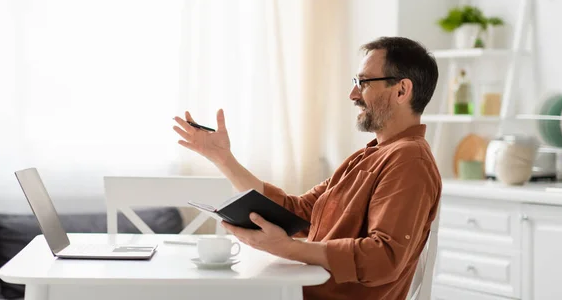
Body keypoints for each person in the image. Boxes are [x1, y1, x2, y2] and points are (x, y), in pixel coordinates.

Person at [173, 36, 441, 300]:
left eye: (364, 82)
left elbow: (384, 258)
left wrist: (287, 249)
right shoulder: (367, 157)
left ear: (402, 91)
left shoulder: (409, 160)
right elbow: (297, 212)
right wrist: (223, 159)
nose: (353, 94)